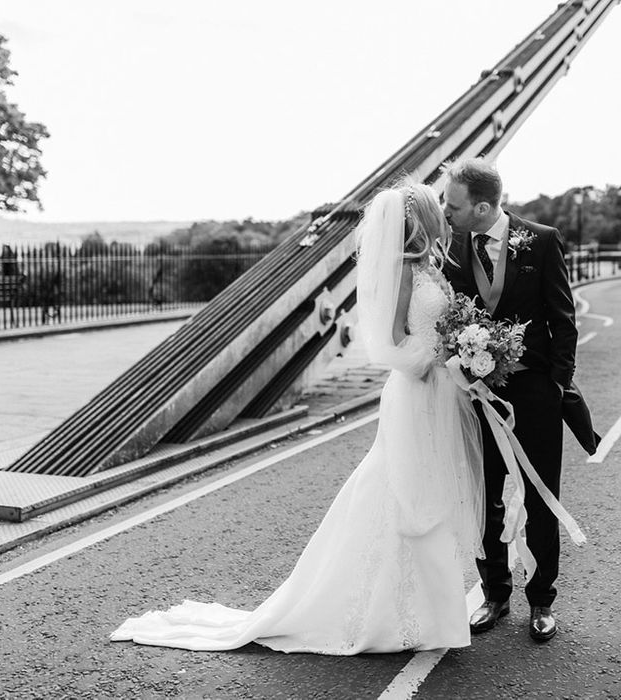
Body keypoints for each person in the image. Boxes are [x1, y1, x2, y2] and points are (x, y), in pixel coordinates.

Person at [110, 183, 487, 654]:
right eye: (439, 211)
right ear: (422, 221)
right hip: (416, 391)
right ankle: (384, 612)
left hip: (438, 394)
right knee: (403, 491)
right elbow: (390, 342)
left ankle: (428, 617)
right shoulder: (404, 272)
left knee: (427, 492)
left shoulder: (430, 266)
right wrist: (435, 357)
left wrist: (458, 349)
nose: (444, 217)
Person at [442, 157, 591, 643]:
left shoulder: (542, 240)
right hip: (478, 396)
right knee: (486, 496)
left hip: (534, 393)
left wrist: (557, 385)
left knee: (542, 496)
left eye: (454, 204)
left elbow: (563, 318)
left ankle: (542, 601)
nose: (447, 211)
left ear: (483, 207)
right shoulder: (451, 247)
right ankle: (494, 594)